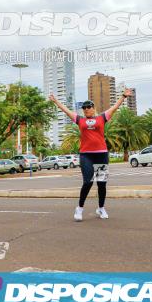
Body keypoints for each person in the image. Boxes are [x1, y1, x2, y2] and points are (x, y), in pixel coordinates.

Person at [49, 88, 133, 221]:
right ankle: (79, 208)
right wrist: (56, 101)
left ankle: (101, 208)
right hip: (86, 155)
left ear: (93, 108)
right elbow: (66, 110)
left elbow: (115, 107)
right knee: (88, 182)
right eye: (84, 108)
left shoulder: (102, 118)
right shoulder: (79, 119)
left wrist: (123, 96)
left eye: (89, 107)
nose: (86, 109)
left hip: (101, 154)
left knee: (101, 183)